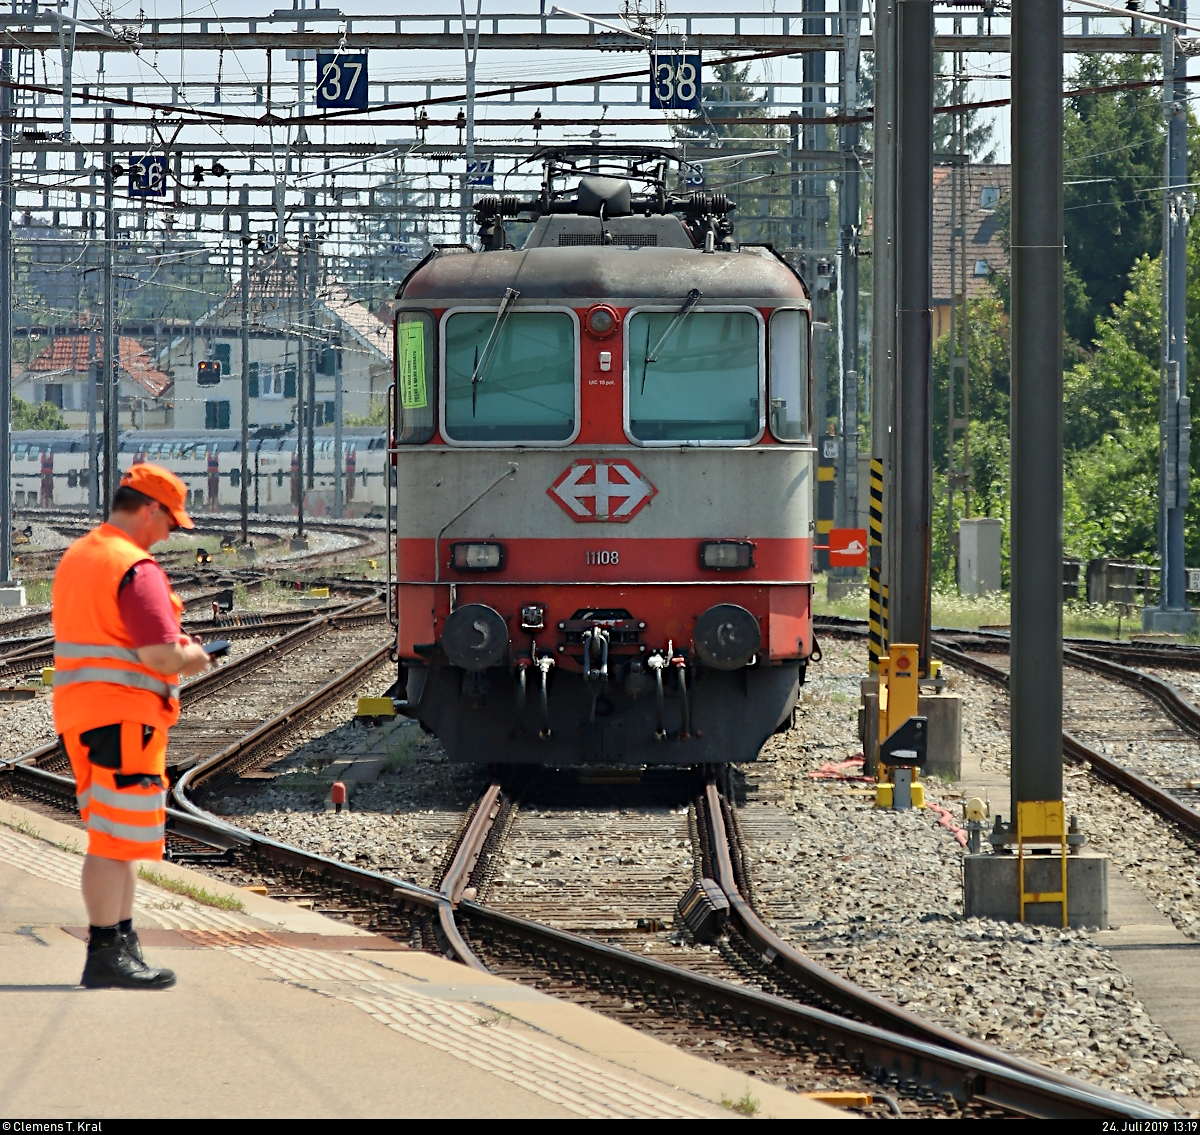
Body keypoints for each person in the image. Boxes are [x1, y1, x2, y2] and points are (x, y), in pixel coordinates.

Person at [52, 463, 211, 989]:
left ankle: (122, 944)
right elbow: (160, 655)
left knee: (116, 837)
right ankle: (105, 951)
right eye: (170, 521)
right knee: (112, 839)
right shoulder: (134, 568)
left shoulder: (81, 555)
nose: (171, 532)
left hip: (86, 712)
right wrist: (196, 656)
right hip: (123, 717)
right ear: (149, 509)